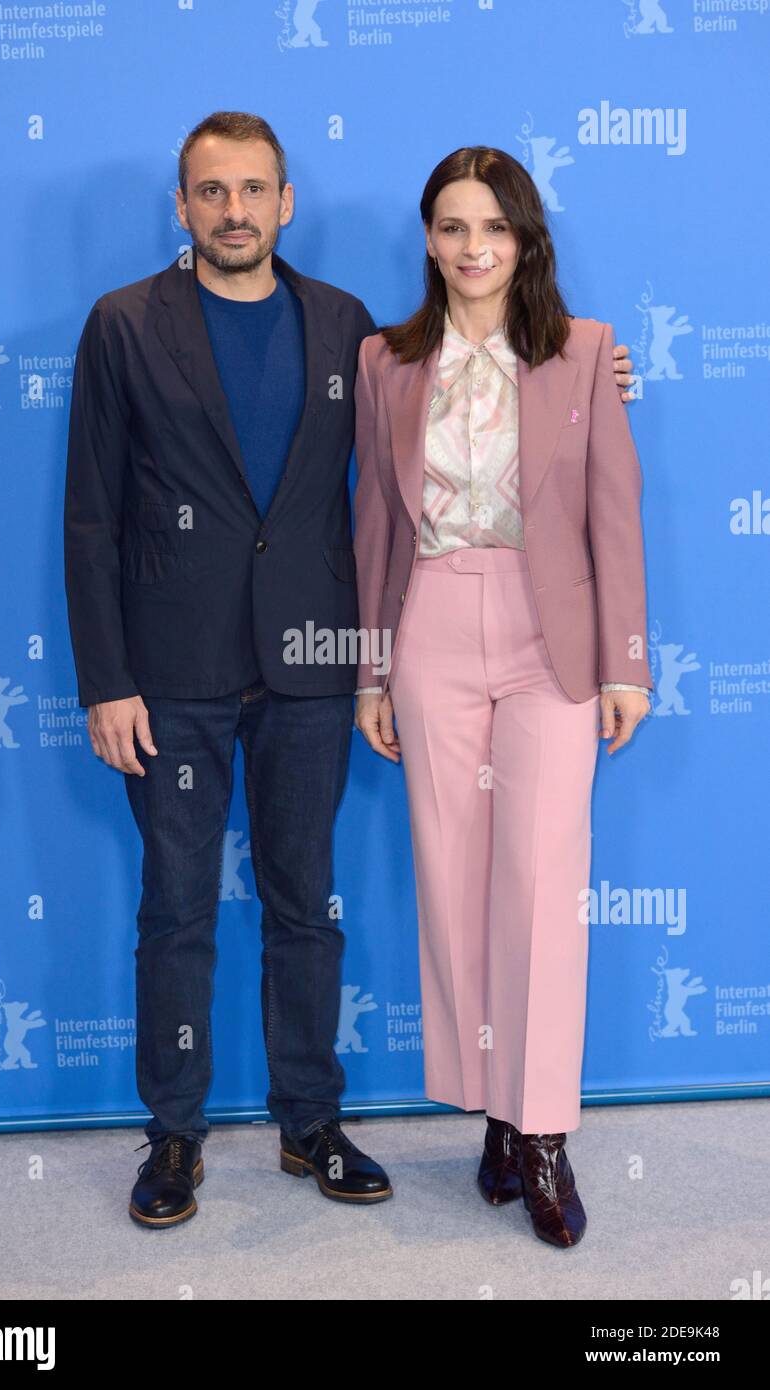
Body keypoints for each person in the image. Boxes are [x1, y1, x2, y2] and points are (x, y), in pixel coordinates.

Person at [64, 114, 638, 1230]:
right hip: (192, 664)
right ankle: (174, 1135)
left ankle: (322, 1122)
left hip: (321, 663)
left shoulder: (349, 331)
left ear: (287, 204)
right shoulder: (144, 327)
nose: (233, 210)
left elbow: (560, 458)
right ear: (181, 206)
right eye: (210, 191)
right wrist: (105, 677)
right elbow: (92, 515)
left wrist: (600, 369)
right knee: (178, 908)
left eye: (254, 190)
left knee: (309, 906)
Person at [352, 146, 652, 1248]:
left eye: (492, 227)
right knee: (452, 884)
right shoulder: (384, 360)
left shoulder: (581, 353)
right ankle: (490, 1109)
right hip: (430, 619)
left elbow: (613, 510)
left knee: (538, 882)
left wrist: (625, 662)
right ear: (426, 239)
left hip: (551, 637)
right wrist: (369, 669)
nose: (471, 248)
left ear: (524, 239)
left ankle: (542, 1135)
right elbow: (373, 525)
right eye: (449, 227)